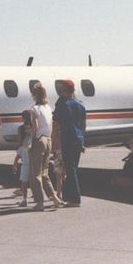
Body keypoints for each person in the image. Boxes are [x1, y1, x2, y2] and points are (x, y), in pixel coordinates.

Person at [28, 83, 63, 211]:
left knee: (35, 174)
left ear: (34, 95)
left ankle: (39, 202)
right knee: (44, 172)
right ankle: (54, 197)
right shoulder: (48, 108)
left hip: (39, 140)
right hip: (48, 140)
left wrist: (31, 135)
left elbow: (35, 127)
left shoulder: (34, 109)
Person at [52, 79, 86, 207]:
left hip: (67, 140)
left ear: (64, 90)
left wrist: (53, 141)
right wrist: (82, 141)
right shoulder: (80, 104)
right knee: (73, 169)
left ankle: (75, 199)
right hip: (77, 140)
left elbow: (56, 125)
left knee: (70, 170)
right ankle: (69, 196)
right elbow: (83, 125)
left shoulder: (62, 105)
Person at [13, 110, 33, 207]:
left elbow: (17, 157)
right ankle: (36, 195)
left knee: (24, 182)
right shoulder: (35, 130)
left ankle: (24, 199)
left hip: (25, 165)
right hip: (35, 162)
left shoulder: (22, 147)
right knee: (36, 180)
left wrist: (14, 165)